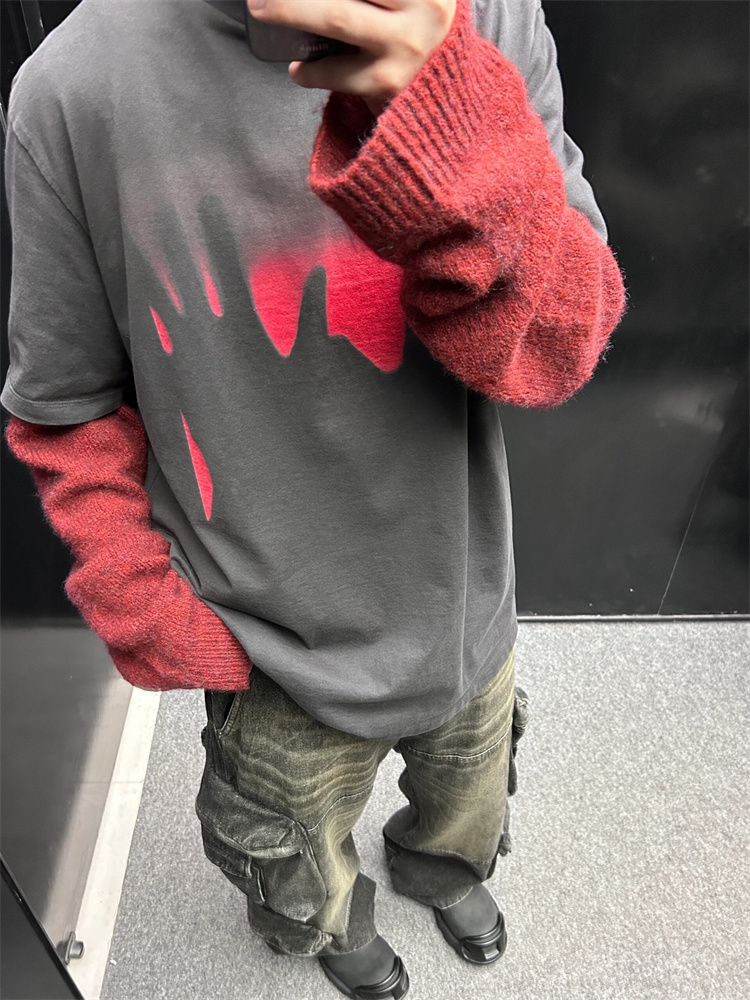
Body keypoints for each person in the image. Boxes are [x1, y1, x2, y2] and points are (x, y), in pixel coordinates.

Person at [2, 0, 627, 997]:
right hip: (269, 652)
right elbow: (65, 405)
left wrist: (452, 131)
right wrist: (146, 604)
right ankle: (338, 927)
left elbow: (563, 344)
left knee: (468, 801)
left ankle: (440, 870)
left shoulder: (493, 15)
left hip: (464, 603)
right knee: (297, 863)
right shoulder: (72, 89)